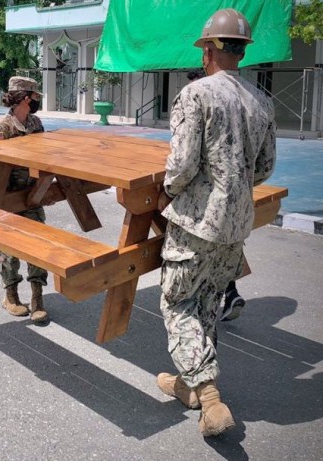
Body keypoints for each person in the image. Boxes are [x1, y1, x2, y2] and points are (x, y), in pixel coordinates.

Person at [156, 9, 276, 436]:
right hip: (236, 224)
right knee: (207, 301)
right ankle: (188, 385)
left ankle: (208, 397)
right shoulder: (260, 99)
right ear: (241, 50)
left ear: (208, 49)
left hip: (197, 222)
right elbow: (264, 166)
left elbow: (182, 165)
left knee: (178, 302)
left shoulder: (196, 94)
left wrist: (170, 189)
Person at [0, 76, 49, 324]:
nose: (37, 102)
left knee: (37, 245)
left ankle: (37, 298)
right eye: (35, 97)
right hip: (6, 197)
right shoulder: (1, 127)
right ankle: (11, 296)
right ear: (26, 98)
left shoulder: (36, 123)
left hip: (32, 196)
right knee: (8, 249)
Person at [186, 68, 246, 322]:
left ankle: (201, 300)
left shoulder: (199, 102)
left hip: (206, 196)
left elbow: (184, 163)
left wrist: (170, 189)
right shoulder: (243, 103)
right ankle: (229, 290)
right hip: (235, 196)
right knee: (225, 243)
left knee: (198, 241)